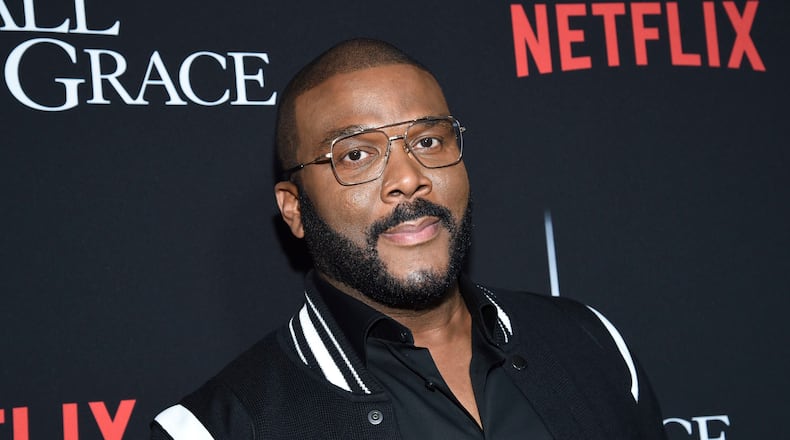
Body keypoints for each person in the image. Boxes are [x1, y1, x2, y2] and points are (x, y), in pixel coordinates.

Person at [150, 38, 666, 439]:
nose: (408, 177)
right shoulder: (217, 429)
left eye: (428, 140)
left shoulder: (591, 342)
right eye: (356, 155)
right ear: (295, 209)